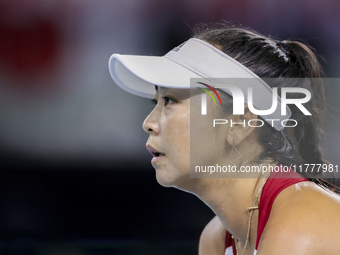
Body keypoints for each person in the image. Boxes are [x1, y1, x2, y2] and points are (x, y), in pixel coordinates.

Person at [108, 25, 340, 255]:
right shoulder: (216, 239)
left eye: (169, 100)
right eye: (155, 102)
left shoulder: (301, 227)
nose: (149, 122)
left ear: (239, 123)